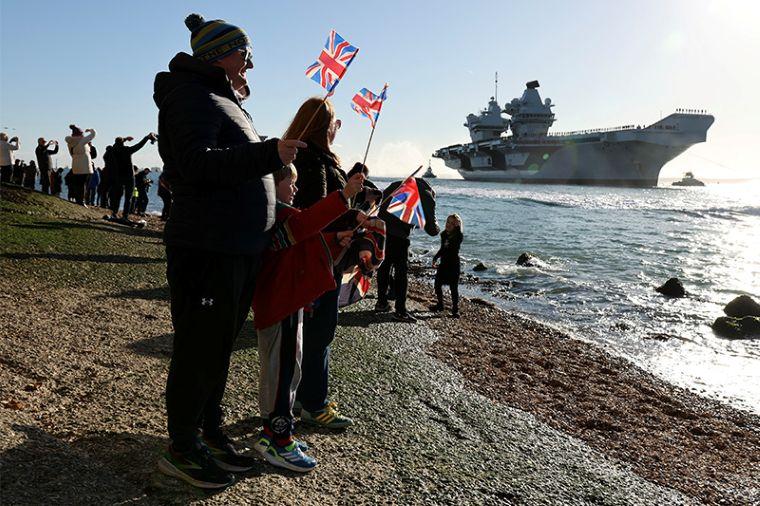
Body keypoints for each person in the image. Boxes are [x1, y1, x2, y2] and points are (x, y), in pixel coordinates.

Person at [153, 12, 305, 489]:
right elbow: (198, 164)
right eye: (247, 55)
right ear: (221, 55)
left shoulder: (223, 100)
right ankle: (181, 447)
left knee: (217, 348)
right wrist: (268, 155)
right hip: (207, 246)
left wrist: (270, 172)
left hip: (237, 247)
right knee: (199, 347)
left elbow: (231, 162)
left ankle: (209, 430)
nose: (251, 65)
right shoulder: (188, 95)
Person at [252, 165, 364, 472]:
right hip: (280, 305)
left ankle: (278, 430)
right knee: (282, 372)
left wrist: (334, 239)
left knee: (290, 368)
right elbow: (305, 224)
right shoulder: (275, 215)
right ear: (273, 184)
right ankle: (277, 439)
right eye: (292, 182)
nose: (296, 189)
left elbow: (305, 240)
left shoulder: (281, 217)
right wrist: (345, 196)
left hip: (289, 303)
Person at [283, 97, 358, 429]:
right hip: (322, 260)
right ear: (325, 127)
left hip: (301, 259)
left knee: (302, 332)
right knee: (320, 332)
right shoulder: (320, 164)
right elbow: (321, 213)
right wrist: (353, 218)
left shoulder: (295, 157)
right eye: (335, 123)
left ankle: (298, 397)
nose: (337, 129)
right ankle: (314, 403)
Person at [376, 177, 440, 322]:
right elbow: (432, 229)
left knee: (384, 266)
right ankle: (400, 311)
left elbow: (382, 208)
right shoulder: (426, 194)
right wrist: (438, 227)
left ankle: (381, 303)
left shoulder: (396, 185)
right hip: (399, 236)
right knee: (401, 272)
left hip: (382, 231)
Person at [109, 134, 155, 221]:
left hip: (119, 176)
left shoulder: (113, 150)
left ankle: (114, 213)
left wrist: (124, 139)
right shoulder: (127, 150)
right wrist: (146, 138)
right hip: (129, 177)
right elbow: (139, 145)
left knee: (118, 196)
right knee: (128, 198)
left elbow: (116, 144)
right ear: (122, 143)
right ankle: (125, 216)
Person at [430, 214, 464, 318]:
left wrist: (456, 229)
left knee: (454, 288)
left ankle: (455, 309)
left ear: (456, 226)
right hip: (444, 264)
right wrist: (435, 258)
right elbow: (442, 249)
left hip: (453, 264)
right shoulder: (443, 234)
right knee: (437, 284)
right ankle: (440, 305)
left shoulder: (458, 236)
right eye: (448, 222)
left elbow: (452, 247)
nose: (448, 225)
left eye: (452, 223)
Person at [64, 125, 96, 206]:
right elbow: (93, 135)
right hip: (85, 167)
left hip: (75, 166)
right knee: (83, 185)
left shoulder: (70, 143)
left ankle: (78, 199)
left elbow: (72, 154)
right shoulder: (82, 141)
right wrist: (90, 129)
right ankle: (81, 201)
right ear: (80, 134)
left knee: (78, 184)